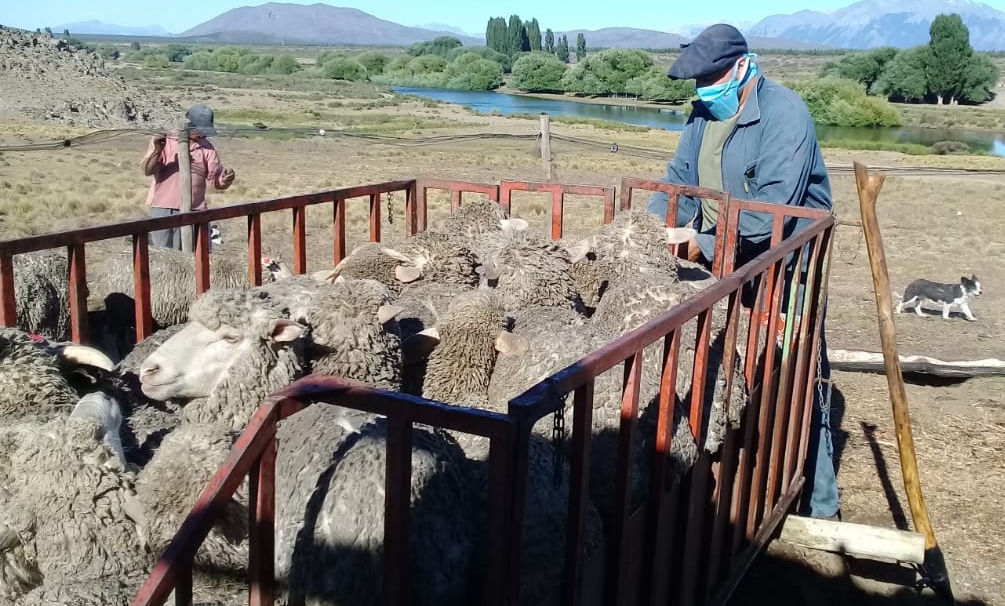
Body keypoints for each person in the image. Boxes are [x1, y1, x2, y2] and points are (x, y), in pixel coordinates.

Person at [645, 23, 839, 520]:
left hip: (783, 270)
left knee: (795, 382)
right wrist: (649, 228)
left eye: (711, 78)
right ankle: (735, 495)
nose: (703, 89)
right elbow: (678, 180)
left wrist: (702, 243)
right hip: (723, 264)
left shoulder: (784, 114)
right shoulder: (703, 113)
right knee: (726, 375)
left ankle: (820, 506)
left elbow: (770, 210)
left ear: (741, 67)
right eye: (698, 81)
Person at [141, 104, 235, 249]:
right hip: (164, 207)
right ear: (189, 125)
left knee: (195, 253)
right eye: (200, 131)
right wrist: (157, 150)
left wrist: (225, 178)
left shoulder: (207, 147)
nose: (203, 135)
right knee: (164, 253)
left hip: (195, 209)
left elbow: (216, 179)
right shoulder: (165, 140)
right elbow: (147, 170)